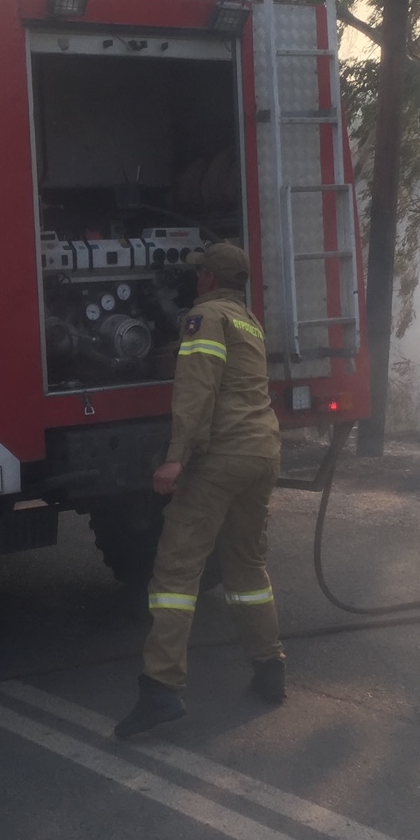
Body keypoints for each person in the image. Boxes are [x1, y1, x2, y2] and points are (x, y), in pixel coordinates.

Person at [115, 242, 286, 739]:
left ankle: (160, 688)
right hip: (262, 452)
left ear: (210, 278)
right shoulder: (248, 320)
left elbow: (197, 390)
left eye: (199, 274)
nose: (195, 281)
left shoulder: (205, 319)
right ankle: (270, 669)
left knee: (175, 574)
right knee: (248, 566)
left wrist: (175, 458)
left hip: (221, 458)